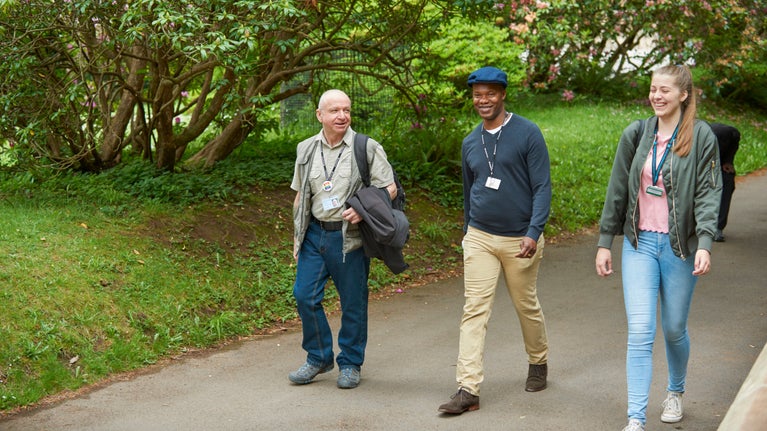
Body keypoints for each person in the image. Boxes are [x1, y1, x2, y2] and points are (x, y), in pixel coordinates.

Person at [595, 64, 722, 431]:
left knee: (673, 328)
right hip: (639, 244)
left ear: (684, 94)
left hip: (679, 247)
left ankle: (675, 391)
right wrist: (606, 242)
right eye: (653, 88)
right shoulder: (637, 133)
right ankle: (635, 417)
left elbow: (709, 194)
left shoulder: (701, 137)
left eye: (665, 90)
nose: (657, 96)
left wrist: (706, 243)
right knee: (639, 332)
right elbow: (617, 188)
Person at [438, 66, 552, 415]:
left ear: (502, 94)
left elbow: (542, 187)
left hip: (520, 239)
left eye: (489, 93)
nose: (483, 100)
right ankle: (467, 388)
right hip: (480, 238)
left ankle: (538, 360)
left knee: (525, 304)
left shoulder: (527, 133)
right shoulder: (471, 141)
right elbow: (467, 190)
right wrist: (468, 231)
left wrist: (534, 232)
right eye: (477, 95)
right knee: (474, 309)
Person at [288, 89, 397, 389]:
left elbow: (389, 189)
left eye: (346, 110)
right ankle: (319, 357)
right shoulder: (306, 149)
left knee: (353, 303)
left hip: (349, 238)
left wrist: (362, 209)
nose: (342, 116)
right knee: (304, 295)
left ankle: (350, 362)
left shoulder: (366, 147)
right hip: (314, 234)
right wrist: (298, 238)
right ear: (319, 115)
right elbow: (300, 196)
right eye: (334, 110)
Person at [708, 122, 740, 242]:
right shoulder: (703, 135)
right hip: (699, 161)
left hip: (719, 161)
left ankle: (718, 227)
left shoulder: (733, 136)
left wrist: (728, 162)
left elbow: (731, 150)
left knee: (728, 179)